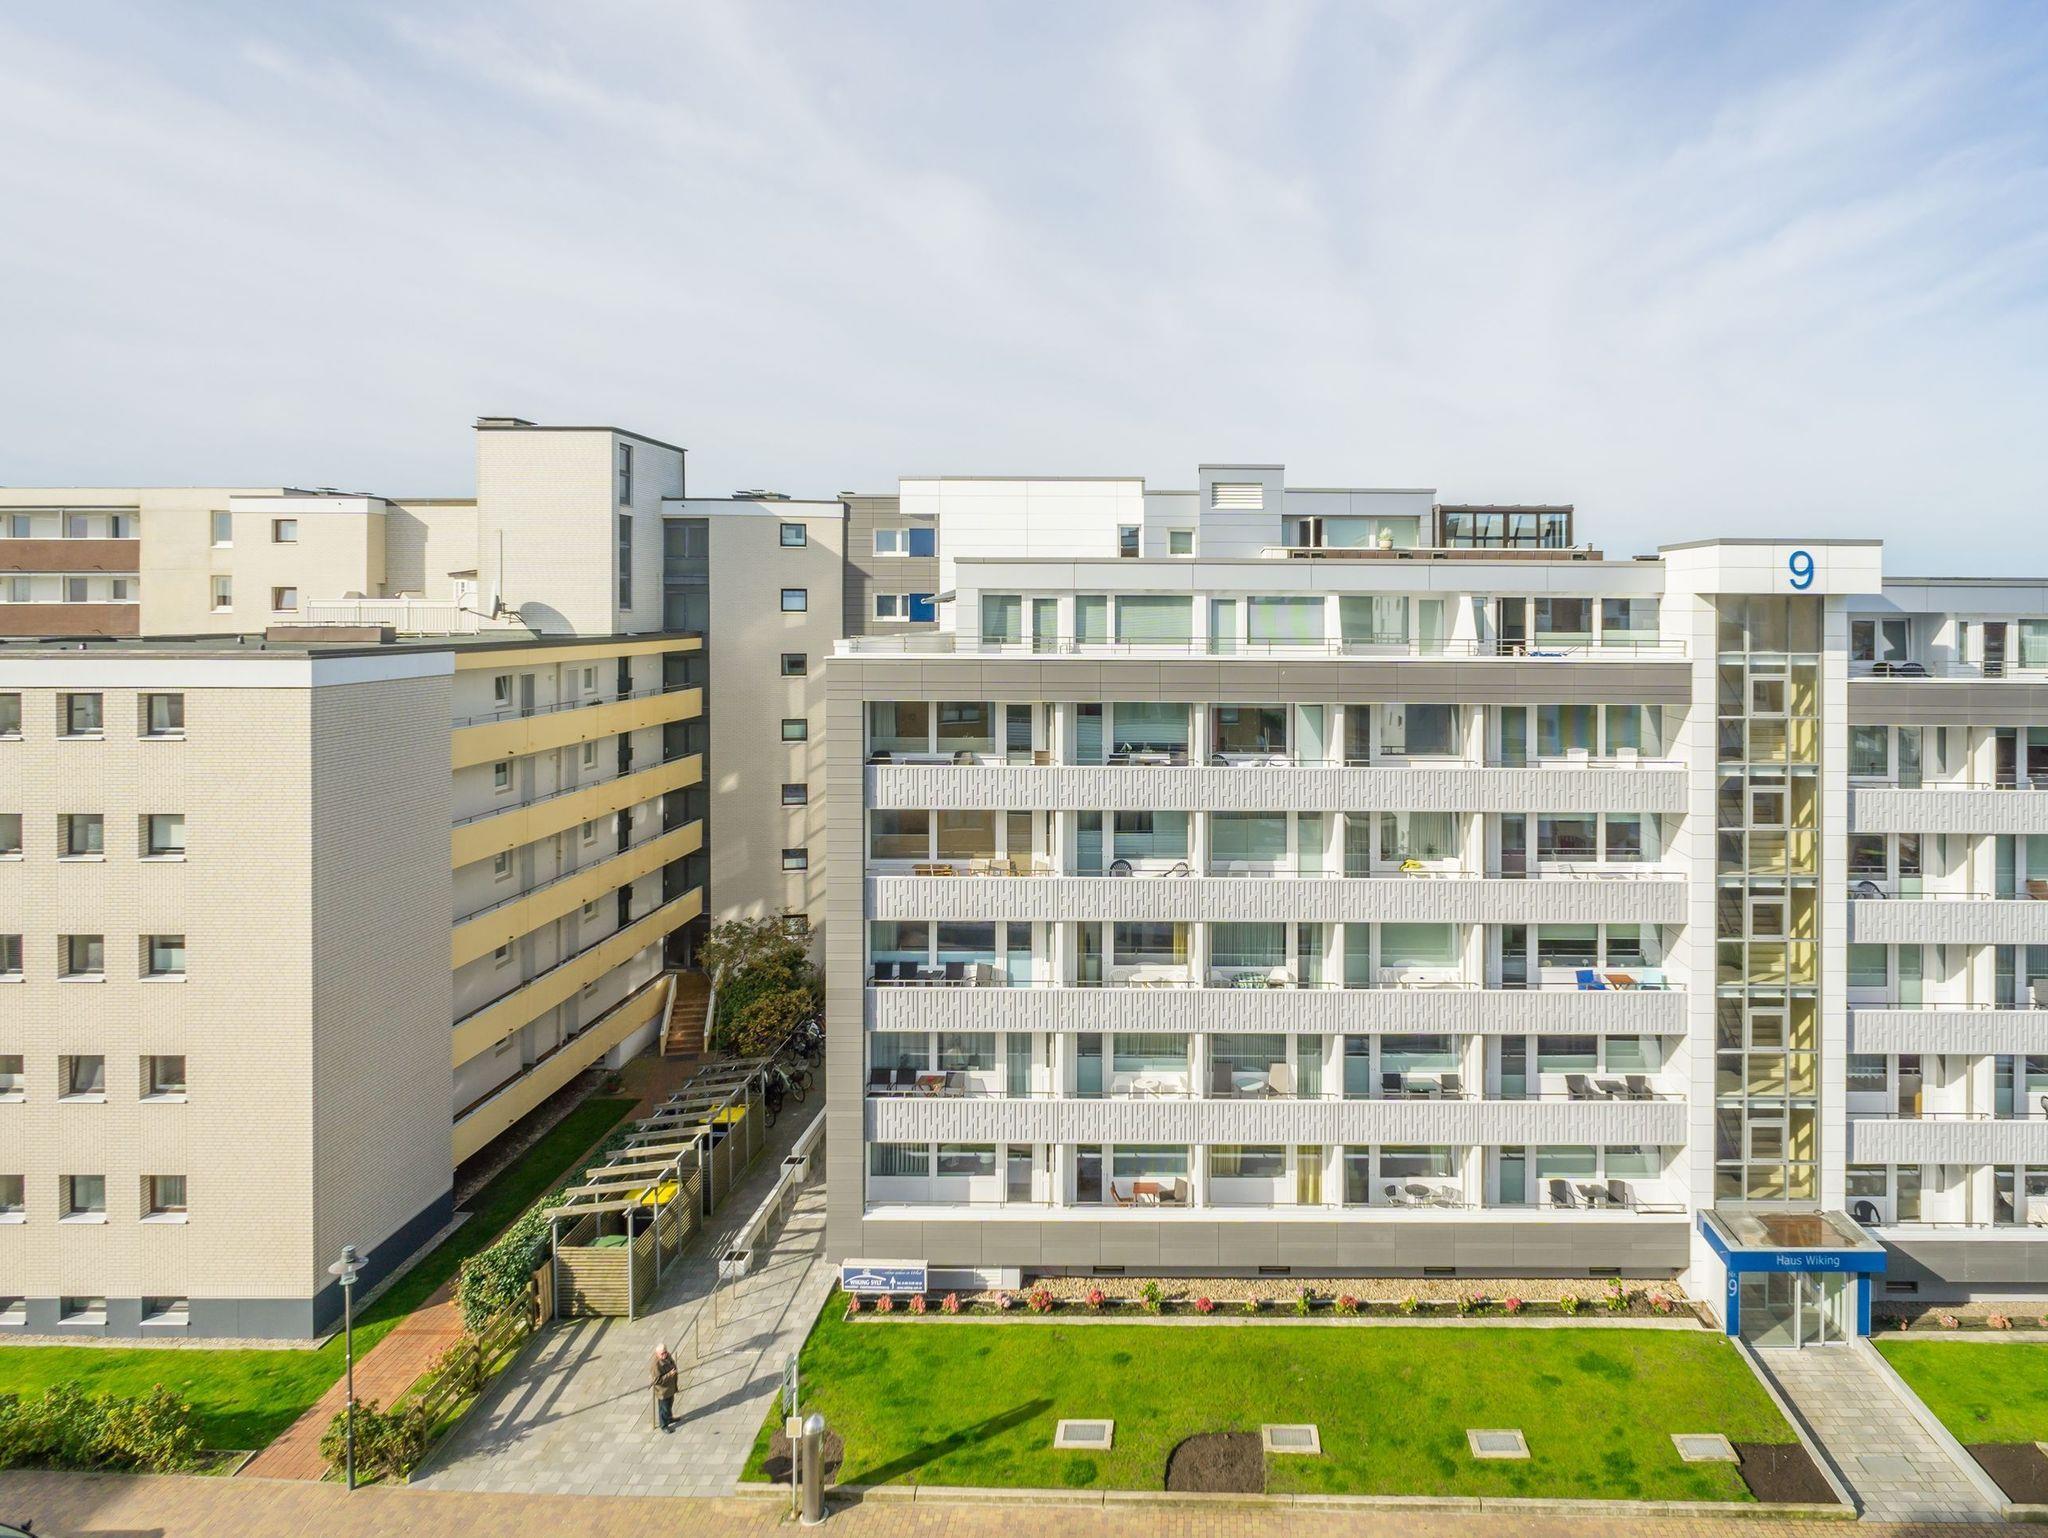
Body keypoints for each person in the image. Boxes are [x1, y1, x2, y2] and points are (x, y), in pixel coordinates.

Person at [651, 1343, 679, 1432]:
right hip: (663, 1391)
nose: (664, 1355)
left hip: (670, 1387)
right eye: (662, 1354)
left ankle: (669, 1418)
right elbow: (657, 1381)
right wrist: (669, 1375)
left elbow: (672, 1364)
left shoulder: (667, 1356)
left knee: (670, 1404)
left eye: (665, 1352)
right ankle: (663, 1425)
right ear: (657, 1354)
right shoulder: (656, 1365)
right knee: (664, 1408)